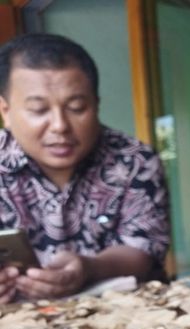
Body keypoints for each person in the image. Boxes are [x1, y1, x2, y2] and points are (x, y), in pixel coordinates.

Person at [0, 33, 170, 304]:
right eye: (39, 110)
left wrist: (90, 268)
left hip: (130, 319)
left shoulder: (134, 160)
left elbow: (143, 249)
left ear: (96, 104)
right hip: (19, 328)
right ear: (6, 111)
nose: (59, 126)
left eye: (76, 107)